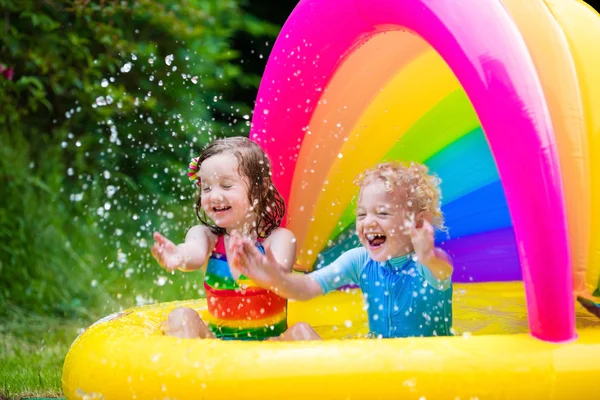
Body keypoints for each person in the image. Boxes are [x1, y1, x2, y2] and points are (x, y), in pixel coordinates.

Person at [231, 161, 453, 339]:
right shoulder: (360, 260)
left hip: (426, 367)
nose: (368, 223)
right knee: (300, 332)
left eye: (382, 213)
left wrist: (428, 256)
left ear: (416, 222)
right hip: (381, 361)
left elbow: (442, 268)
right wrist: (276, 280)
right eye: (362, 214)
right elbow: (308, 287)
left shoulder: (427, 264)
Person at [151, 136, 318, 340]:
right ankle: (185, 369)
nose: (214, 195)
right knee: (180, 316)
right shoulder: (205, 236)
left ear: (261, 187)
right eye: (206, 187)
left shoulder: (279, 239)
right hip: (219, 348)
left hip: (272, 348)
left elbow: (280, 276)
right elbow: (192, 254)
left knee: (302, 331)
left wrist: (261, 268)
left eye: (226, 186)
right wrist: (178, 256)